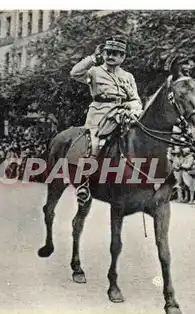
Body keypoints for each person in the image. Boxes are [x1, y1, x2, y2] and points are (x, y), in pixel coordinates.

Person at [69, 36, 143, 201]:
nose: (111, 56)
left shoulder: (128, 76)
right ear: (103, 53)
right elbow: (75, 73)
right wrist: (92, 59)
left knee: (138, 142)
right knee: (95, 144)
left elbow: (135, 99)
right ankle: (85, 183)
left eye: (116, 54)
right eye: (108, 52)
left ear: (122, 57)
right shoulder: (94, 72)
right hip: (99, 115)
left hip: (123, 114)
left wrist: (134, 109)